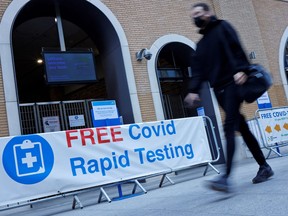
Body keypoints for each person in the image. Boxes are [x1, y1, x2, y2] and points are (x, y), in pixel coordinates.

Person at [185, 2, 274, 192]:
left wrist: (241, 69)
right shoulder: (200, 46)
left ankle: (225, 177)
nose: (196, 17)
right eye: (193, 15)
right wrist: (193, 90)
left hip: (233, 84)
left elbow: (236, 47)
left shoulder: (223, 27)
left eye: (199, 13)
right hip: (218, 89)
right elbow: (198, 71)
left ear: (208, 13)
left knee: (229, 125)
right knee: (241, 126)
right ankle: (264, 166)